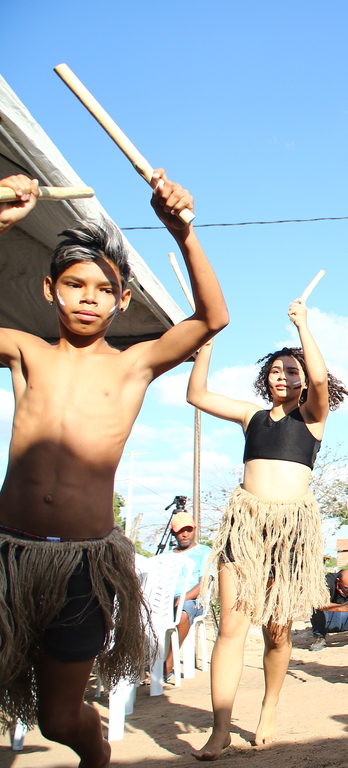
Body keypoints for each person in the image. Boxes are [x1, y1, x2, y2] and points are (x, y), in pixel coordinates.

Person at [0, 171, 227, 767]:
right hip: (8, 552)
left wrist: (183, 234)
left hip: (81, 561)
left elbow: (211, 319)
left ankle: (93, 750)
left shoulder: (134, 366)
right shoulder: (26, 353)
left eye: (103, 289)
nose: (88, 297)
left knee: (57, 716)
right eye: (74, 284)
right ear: (50, 289)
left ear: (122, 300)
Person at [187, 300, 348, 760]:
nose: (285, 376)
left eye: (292, 370)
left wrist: (303, 327)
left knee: (278, 631)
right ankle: (220, 728)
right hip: (245, 527)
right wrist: (205, 346)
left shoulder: (313, 418)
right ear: (267, 378)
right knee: (232, 627)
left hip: (290, 532)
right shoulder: (250, 416)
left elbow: (320, 380)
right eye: (277, 371)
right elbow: (196, 396)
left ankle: (269, 707)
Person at [165, 511, 212, 678]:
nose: (185, 534)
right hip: (165, 599)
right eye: (180, 531)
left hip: (192, 600)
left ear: (194, 530)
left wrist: (184, 597)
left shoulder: (204, 552)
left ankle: (168, 663)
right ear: (173, 532)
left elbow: (205, 582)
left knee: (183, 612)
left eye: (188, 530)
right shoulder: (165, 556)